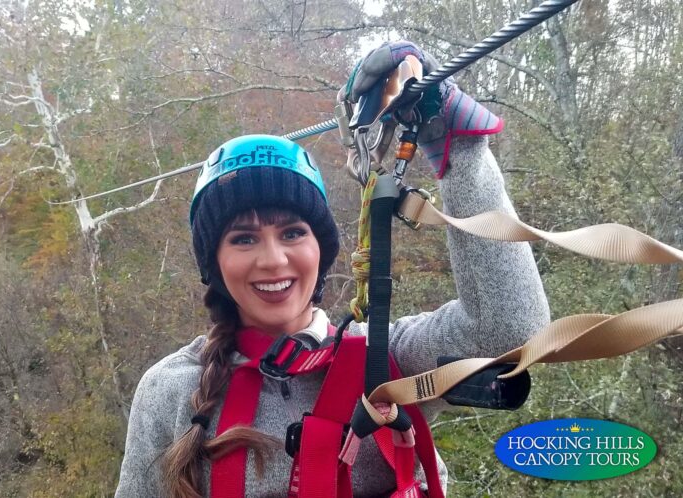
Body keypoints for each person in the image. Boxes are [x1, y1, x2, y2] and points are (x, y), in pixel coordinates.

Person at [114, 40, 550, 498]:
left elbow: (512, 331)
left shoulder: (383, 360)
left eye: (292, 233)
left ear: (320, 248)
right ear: (214, 263)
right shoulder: (170, 390)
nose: (273, 259)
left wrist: (457, 149)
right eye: (243, 239)